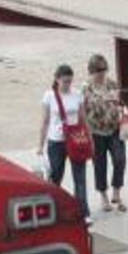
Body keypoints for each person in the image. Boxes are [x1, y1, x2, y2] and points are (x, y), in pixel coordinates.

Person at [37, 64, 89, 219]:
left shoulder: (77, 94)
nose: (67, 84)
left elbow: (83, 118)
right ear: (57, 79)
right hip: (56, 141)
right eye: (65, 81)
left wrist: (89, 138)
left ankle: (83, 211)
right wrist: (40, 144)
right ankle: (55, 210)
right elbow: (45, 121)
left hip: (75, 139)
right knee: (56, 177)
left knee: (80, 178)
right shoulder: (49, 96)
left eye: (70, 81)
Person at [81, 53, 127, 212]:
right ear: (91, 71)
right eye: (98, 71)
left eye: (104, 70)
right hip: (96, 132)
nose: (101, 73)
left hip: (114, 129)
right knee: (100, 165)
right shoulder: (86, 88)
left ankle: (116, 192)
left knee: (120, 159)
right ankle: (104, 197)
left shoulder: (113, 84)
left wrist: (119, 106)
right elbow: (83, 111)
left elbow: (122, 102)